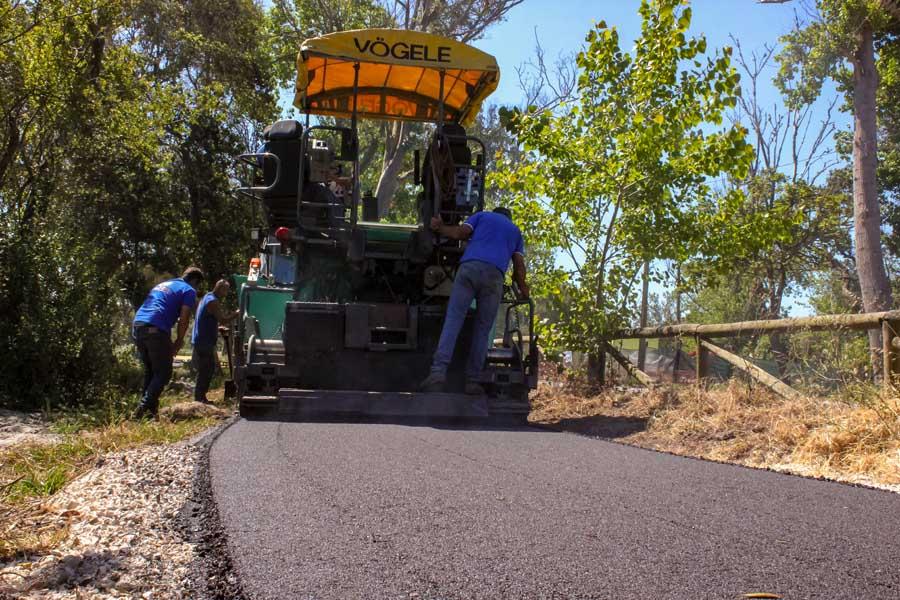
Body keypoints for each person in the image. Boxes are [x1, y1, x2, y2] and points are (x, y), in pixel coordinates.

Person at [420, 207, 529, 395]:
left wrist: (440, 228)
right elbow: (519, 267)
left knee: (453, 321)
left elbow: (460, 233)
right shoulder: (515, 231)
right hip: (494, 277)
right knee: (482, 329)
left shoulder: (482, 216)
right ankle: (473, 380)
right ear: (508, 218)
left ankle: (438, 373)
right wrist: (524, 290)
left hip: (469, 270)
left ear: (495, 213)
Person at [132, 267, 205, 419]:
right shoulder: (189, 290)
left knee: (151, 372)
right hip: (156, 329)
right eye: (198, 286)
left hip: (139, 326)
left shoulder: (165, 285)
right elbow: (184, 318)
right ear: (195, 281)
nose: (197, 289)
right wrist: (179, 340)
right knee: (164, 373)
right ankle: (142, 408)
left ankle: (150, 414)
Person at [191, 279, 239, 404]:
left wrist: (217, 328)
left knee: (206, 368)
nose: (226, 294)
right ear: (220, 288)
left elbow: (206, 318)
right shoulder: (213, 301)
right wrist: (237, 314)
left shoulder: (206, 297)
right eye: (226, 291)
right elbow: (222, 319)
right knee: (207, 369)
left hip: (200, 339)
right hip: (204, 341)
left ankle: (200, 396)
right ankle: (199, 397)